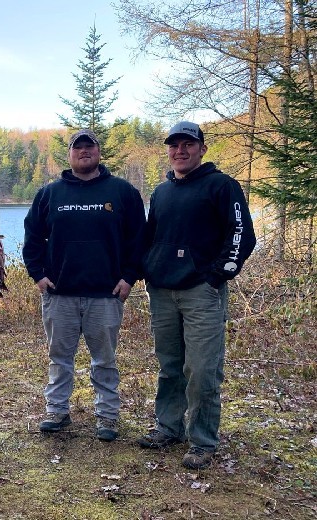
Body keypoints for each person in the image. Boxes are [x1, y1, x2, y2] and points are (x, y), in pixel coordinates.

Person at [137, 121, 256, 469]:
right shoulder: (162, 192)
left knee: (203, 368)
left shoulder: (222, 186)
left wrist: (215, 276)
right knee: (169, 365)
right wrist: (147, 270)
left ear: (202, 148)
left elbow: (241, 235)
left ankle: (203, 440)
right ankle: (168, 427)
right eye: (174, 145)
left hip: (202, 293)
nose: (180, 151)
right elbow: (150, 236)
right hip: (161, 292)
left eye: (188, 144)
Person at [23, 129, 146, 441]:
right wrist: (38, 274)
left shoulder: (122, 192)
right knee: (59, 358)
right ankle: (57, 411)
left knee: (104, 360)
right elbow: (32, 238)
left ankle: (107, 416)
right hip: (59, 294)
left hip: (105, 295)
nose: (84, 152)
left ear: (98, 152)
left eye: (89, 146)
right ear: (70, 154)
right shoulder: (50, 194)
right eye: (78, 147)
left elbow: (140, 240)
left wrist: (129, 277)